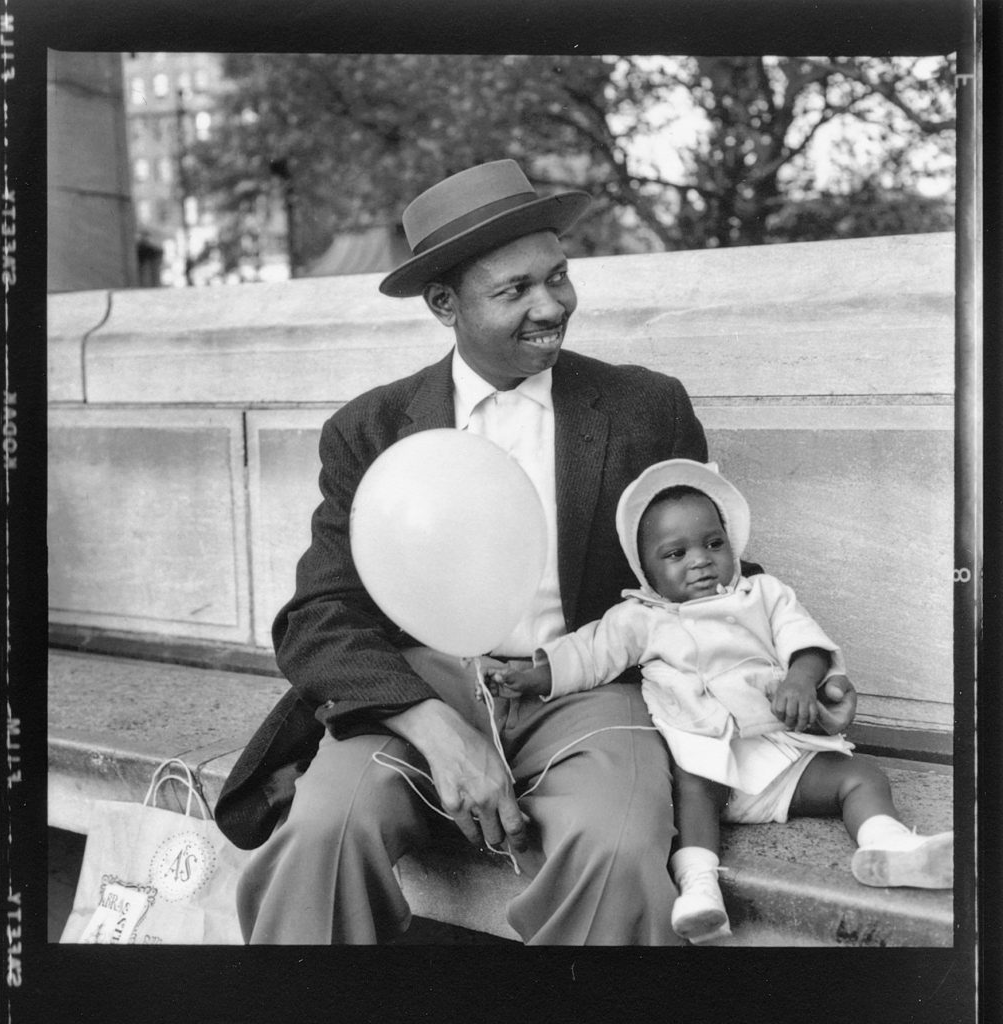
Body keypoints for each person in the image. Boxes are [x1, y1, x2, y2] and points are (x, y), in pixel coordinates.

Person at [214, 159, 858, 945]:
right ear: (443, 304)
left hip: (590, 687)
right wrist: (432, 724)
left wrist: (799, 673)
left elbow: (706, 575)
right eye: (514, 290)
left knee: (619, 852)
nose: (551, 305)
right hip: (417, 693)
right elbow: (318, 616)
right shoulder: (372, 431)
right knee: (322, 837)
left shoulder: (644, 408)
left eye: (558, 276)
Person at [488, 459, 954, 944]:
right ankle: (699, 889)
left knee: (861, 777)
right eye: (675, 553)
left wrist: (800, 679)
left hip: (780, 758)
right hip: (707, 761)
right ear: (645, 570)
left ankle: (889, 845)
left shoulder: (764, 594)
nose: (700, 560)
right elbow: (590, 654)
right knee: (689, 791)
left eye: (713, 544)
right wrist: (538, 676)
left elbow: (807, 643)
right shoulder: (640, 617)